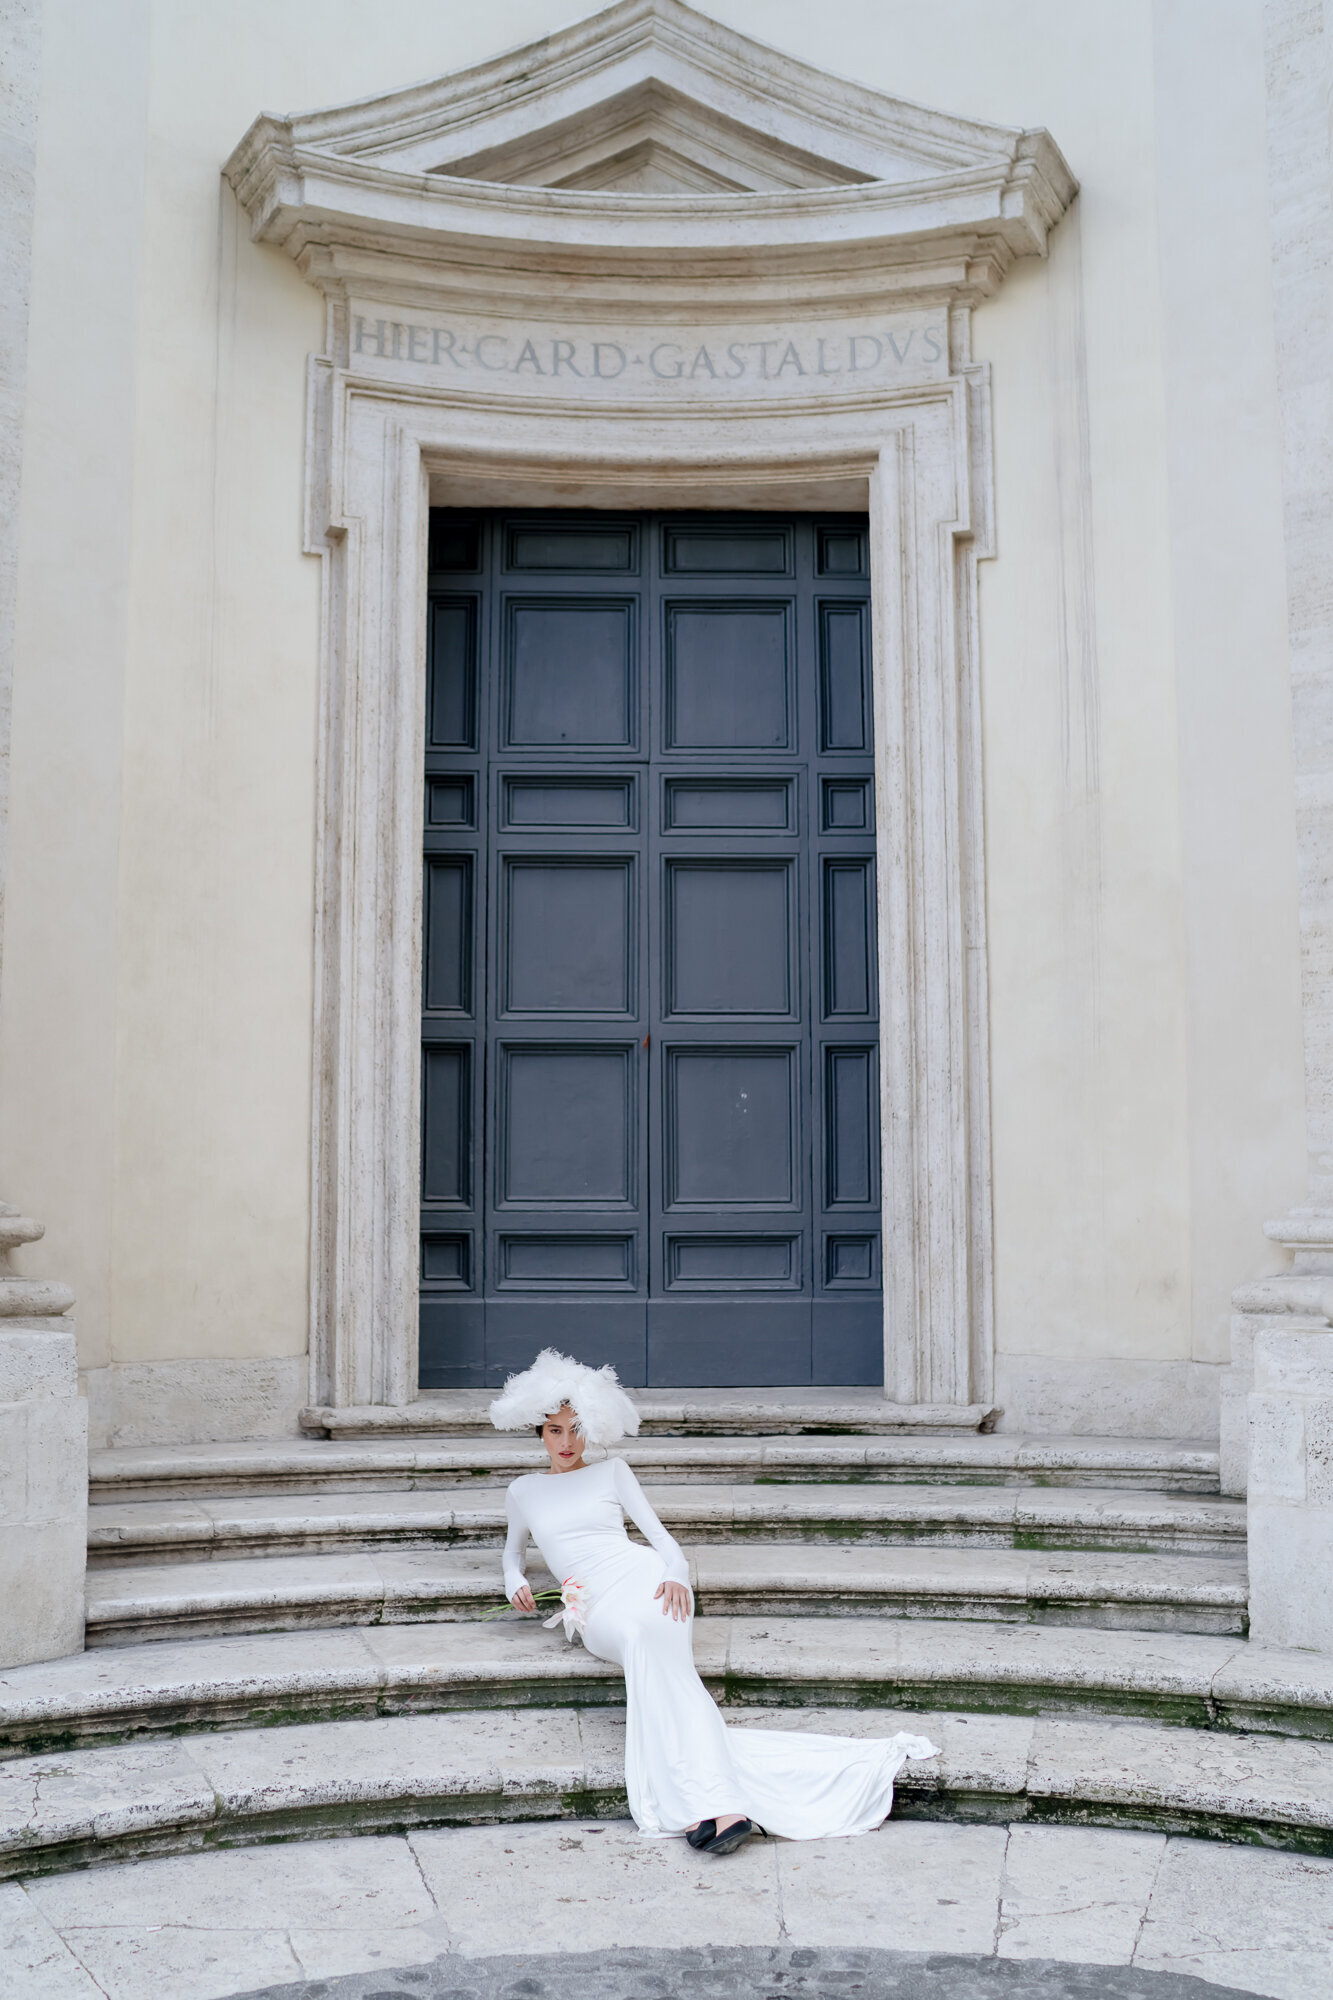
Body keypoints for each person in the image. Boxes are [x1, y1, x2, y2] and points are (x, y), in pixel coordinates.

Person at [492, 1348, 937, 1855]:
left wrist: (678, 1575)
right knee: (641, 1645)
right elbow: (512, 1556)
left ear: (591, 1428)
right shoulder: (523, 1490)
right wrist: (513, 1583)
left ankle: (712, 1808)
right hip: (595, 1606)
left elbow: (662, 1542)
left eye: (576, 1428)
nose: (567, 1442)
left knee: (660, 1655)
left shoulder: (613, 1472)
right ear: (538, 1431)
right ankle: (709, 1799)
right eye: (555, 1430)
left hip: (647, 1580)